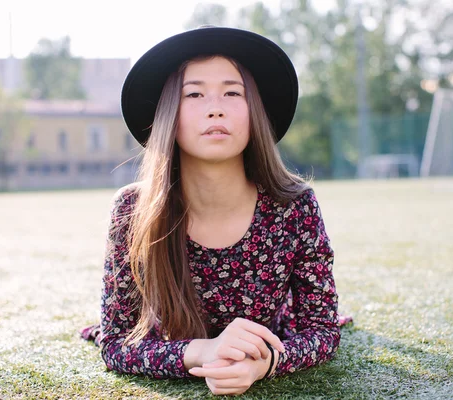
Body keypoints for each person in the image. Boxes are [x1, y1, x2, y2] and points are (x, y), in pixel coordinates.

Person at [81, 26, 351, 396]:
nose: (216, 108)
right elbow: (116, 344)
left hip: (269, 337)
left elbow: (322, 330)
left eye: (232, 92)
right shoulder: (132, 209)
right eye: (193, 93)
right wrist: (204, 351)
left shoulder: (294, 205)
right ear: (168, 117)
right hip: (177, 342)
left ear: (254, 111)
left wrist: (266, 362)